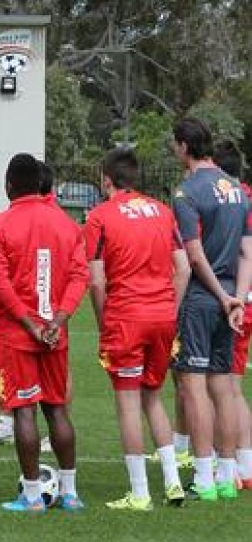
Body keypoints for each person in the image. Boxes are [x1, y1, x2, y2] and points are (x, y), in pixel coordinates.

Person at [0, 153, 89, 513]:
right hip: (56, 336)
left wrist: (31, 324)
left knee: (24, 411)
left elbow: (0, 283)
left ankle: (31, 497)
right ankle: (70, 494)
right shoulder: (69, 225)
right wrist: (57, 320)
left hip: (18, 336)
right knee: (57, 410)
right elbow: (79, 276)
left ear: (9, 185)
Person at [79, 149, 189, 510]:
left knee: (127, 401)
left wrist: (103, 322)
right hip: (162, 316)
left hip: (126, 317)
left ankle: (139, 492)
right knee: (153, 396)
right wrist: (169, 309)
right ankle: (173, 483)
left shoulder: (100, 216)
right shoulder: (162, 211)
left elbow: (96, 281)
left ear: (106, 179)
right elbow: (183, 268)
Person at [169, 118, 249, 501]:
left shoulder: (186, 192)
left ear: (184, 146)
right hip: (232, 294)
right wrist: (237, 297)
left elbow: (194, 255)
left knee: (194, 386)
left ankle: (203, 477)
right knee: (225, 386)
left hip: (203, 299)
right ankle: (228, 475)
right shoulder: (237, 190)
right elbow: (248, 252)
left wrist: (219, 295)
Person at [212, 141, 252, 488]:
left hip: (234, 299)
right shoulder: (245, 197)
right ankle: (243, 465)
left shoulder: (232, 200)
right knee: (230, 386)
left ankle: (233, 466)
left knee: (225, 387)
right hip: (245, 296)